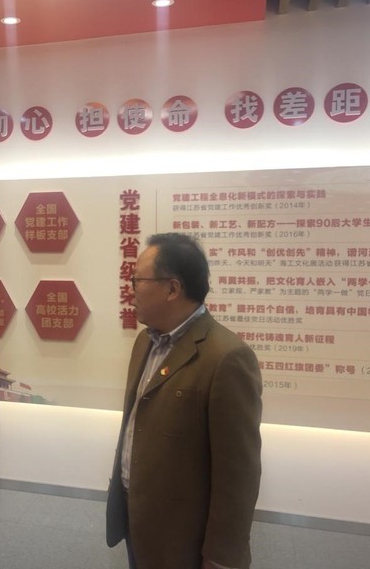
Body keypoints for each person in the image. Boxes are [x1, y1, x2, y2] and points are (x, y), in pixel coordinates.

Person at [106, 233, 262, 569]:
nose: (131, 289)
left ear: (172, 289)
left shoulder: (226, 357)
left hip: (184, 537)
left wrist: (221, 557)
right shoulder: (145, 342)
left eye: (137, 280)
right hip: (138, 518)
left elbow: (238, 477)